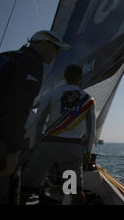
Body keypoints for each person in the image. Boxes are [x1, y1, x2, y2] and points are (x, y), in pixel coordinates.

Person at [0, 30, 69, 205]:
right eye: (55, 48)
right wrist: (13, 150)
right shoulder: (30, 62)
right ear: (42, 43)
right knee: (3, 193)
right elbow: (16, 108)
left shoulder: (7, 57)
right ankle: (72, 196)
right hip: (2, 141)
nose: (57, 53)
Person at [20, 64, 96, 205]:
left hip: (47, 146)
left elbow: (38, 122)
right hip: (72, 150)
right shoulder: (88, 99)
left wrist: (33, 146)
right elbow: (91, 130)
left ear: (65, 77)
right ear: (80, 77)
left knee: (28, 187)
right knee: (74, 190)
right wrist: (88, 151)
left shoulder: (51, 94)